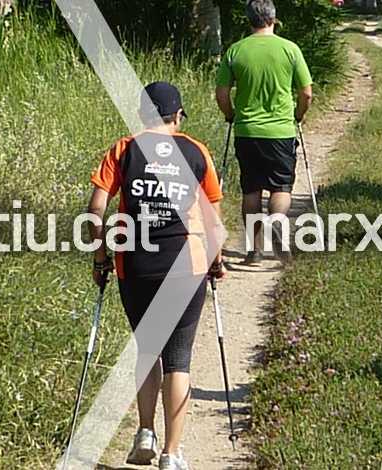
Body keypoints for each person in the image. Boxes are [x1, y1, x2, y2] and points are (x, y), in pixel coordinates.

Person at [87, 82, 225, 469]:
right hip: (186, 264)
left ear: (143, 115)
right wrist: (217, 260)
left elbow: (96, 209)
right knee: (178, 359)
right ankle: (172, 454)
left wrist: (101, 256)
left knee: (148, 351)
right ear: (177, 116)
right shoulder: (197, 151)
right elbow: (213, 217)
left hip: (136, 265)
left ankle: (145, 432)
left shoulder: (123, 149)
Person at [215, 0, 313, 265]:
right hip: (280, 129)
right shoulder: (290, 49)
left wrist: (230, 114)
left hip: (247, 130)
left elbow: (222, 93)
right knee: (281, 186)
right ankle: (277, 222)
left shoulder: (235, 51)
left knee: (251, 190)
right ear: (274, 18)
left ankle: (253, 250)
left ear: (249, 20)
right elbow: (306, 92)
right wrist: (299, 115)